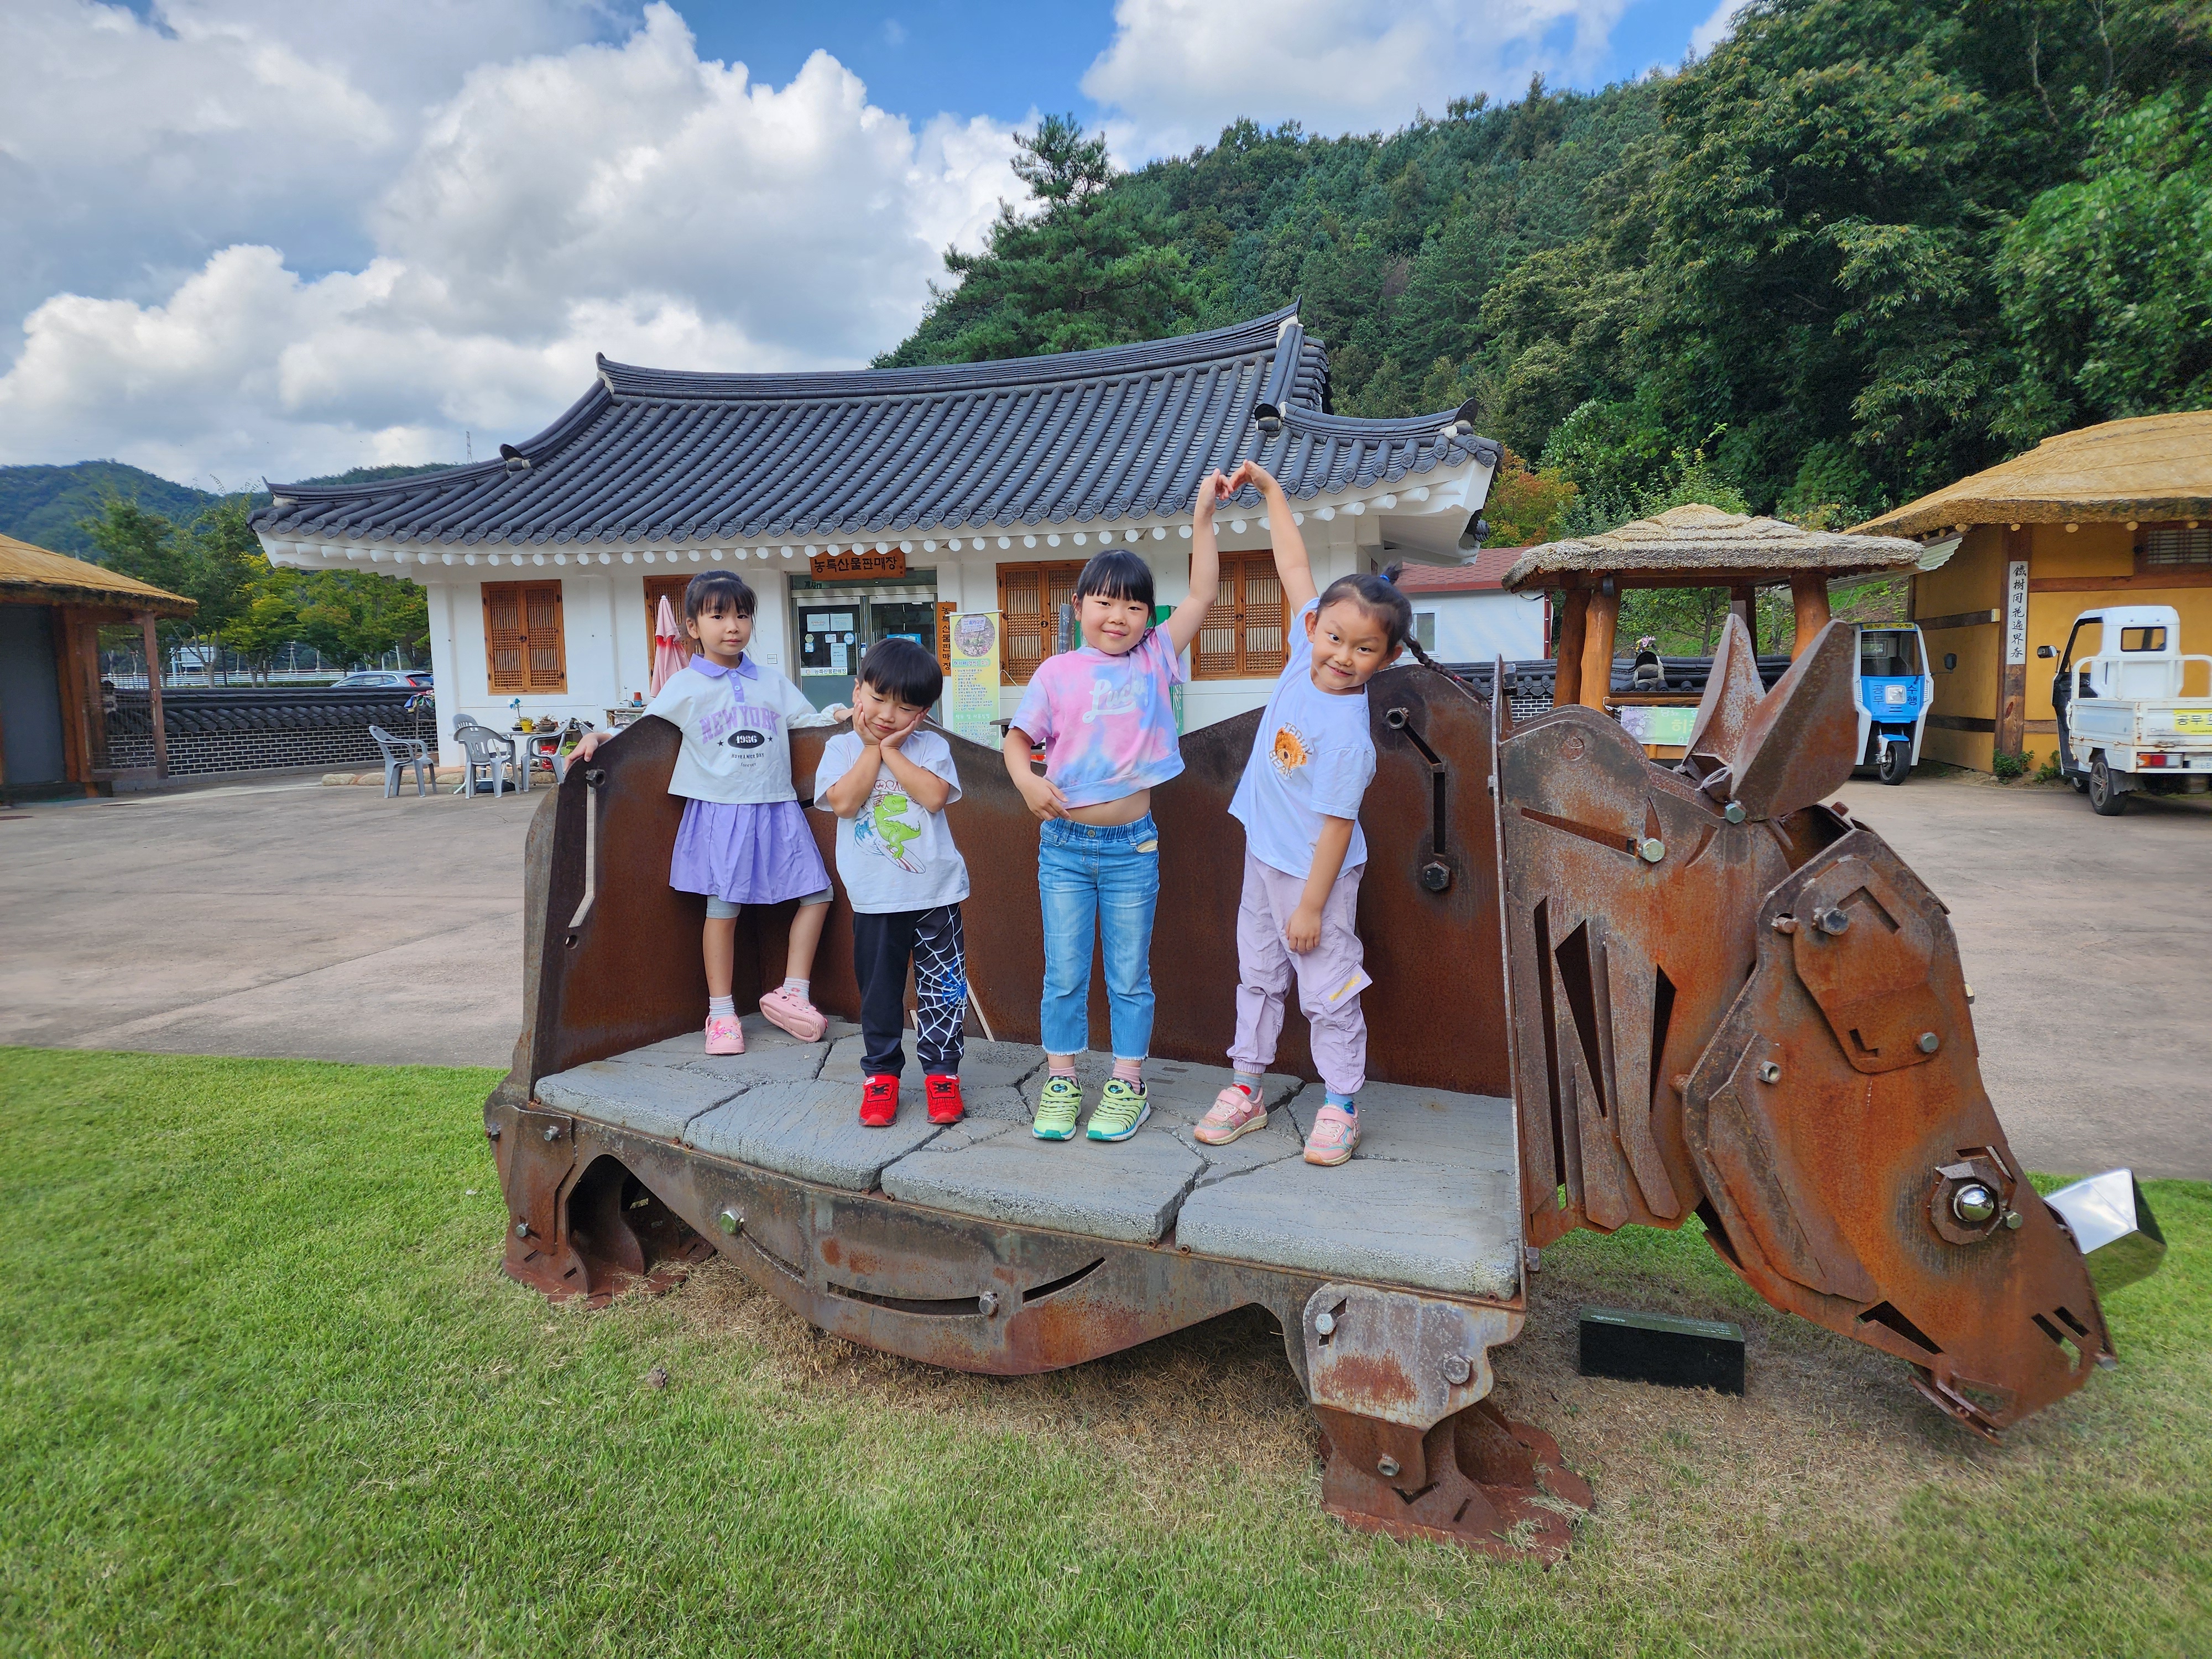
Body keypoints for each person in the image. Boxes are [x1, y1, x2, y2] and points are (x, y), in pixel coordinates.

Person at [1192, 462, 1419, 1166]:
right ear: (1314, 626)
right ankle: (1246, 1089)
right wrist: (1273, 494)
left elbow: (1336, 828)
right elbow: (1292, 562)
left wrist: (1314, 907)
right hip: (1265, 859)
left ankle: (1340, 1105)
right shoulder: (1301, 655)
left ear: (1386, 658)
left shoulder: (1350, 737)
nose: (1342, 657)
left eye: (1365, 649)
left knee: (1326, 990)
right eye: (1335, 638)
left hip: (1315, 877)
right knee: (1256, 976)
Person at [1001, 481, 1229, 1143]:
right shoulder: (1055, 672)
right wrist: (1025, 782)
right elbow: (1017, 740)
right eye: (1105, 602)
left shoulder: (1157, 655)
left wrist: (1202, 517)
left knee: (1128, 975)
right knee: (1065, 972)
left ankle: (1128, 1083)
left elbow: (1204, 594)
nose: (1119, 616)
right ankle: (1063, 1079)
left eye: (1134, 606)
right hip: (1064, 847)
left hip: (1133, 848)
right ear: (1079, 607)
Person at [570, 571, 844, 1056]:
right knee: (724, 910)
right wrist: (598, 737)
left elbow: (809, 720)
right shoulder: (686, 684)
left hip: (777, 808)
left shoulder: (771, 682)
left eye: (741, 615)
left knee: (818, 894)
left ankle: (793, 993)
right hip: (723, 813)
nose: (732, 626)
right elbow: (645, 728)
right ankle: (721, 1014)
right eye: (717, 615)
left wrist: (842, 713)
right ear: (694, 627)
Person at [815, 638, 971, 1129]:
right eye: (878, 699)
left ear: (923, 714)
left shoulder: (934, 748)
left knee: (942, 989)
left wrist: (891, 750)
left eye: (904, 708)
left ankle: (942, 1075)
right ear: (857, 691)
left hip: (937, 896)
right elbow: (843, 802)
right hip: (876, 899)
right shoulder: (840, 747)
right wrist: (869, 749)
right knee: (879, 993)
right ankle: (880, 1076)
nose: (887, 714)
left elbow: (932, 797)